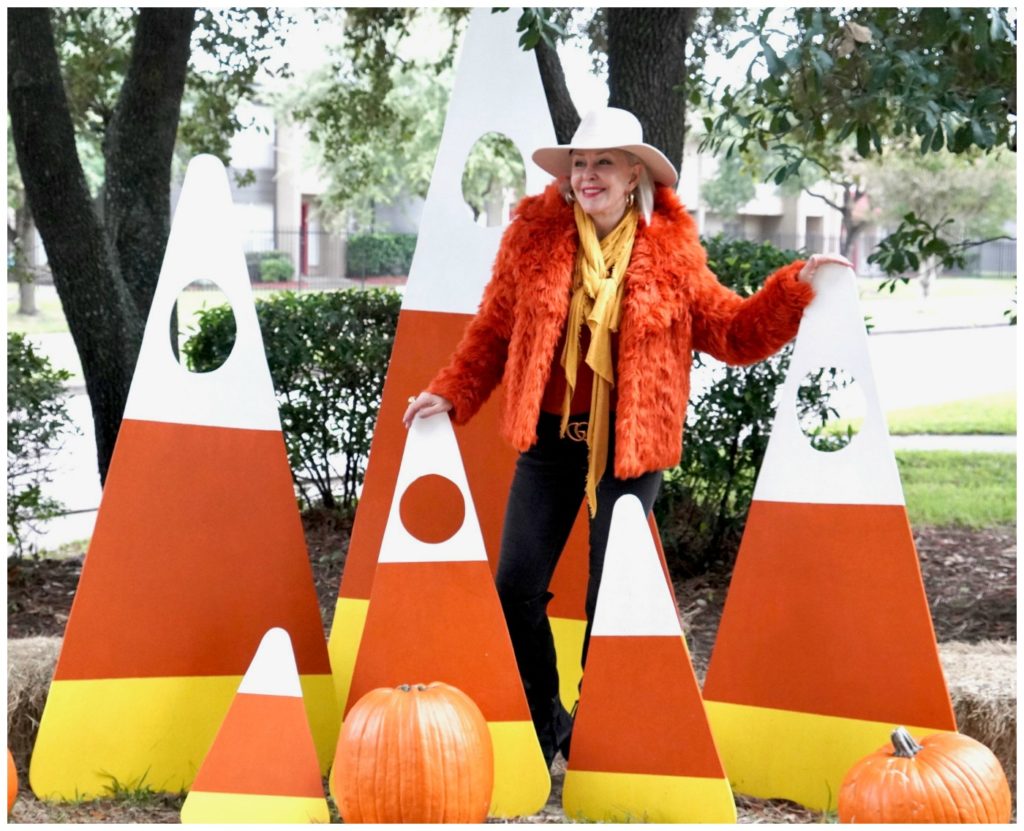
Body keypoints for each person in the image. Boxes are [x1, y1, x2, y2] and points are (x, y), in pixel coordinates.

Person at [403, 107, 849, 767]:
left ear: (633, 171)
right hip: (552, 442)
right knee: (514, 586)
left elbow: (730, 330)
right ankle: (547, 724)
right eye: (580, 164)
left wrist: (792, 290)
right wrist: (452, 389)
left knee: (612, 594)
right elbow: (495, 330)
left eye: (603, 162)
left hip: (631, 445)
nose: (588, 176)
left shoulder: (670, 247)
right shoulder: (535, 235)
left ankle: (596, 735)